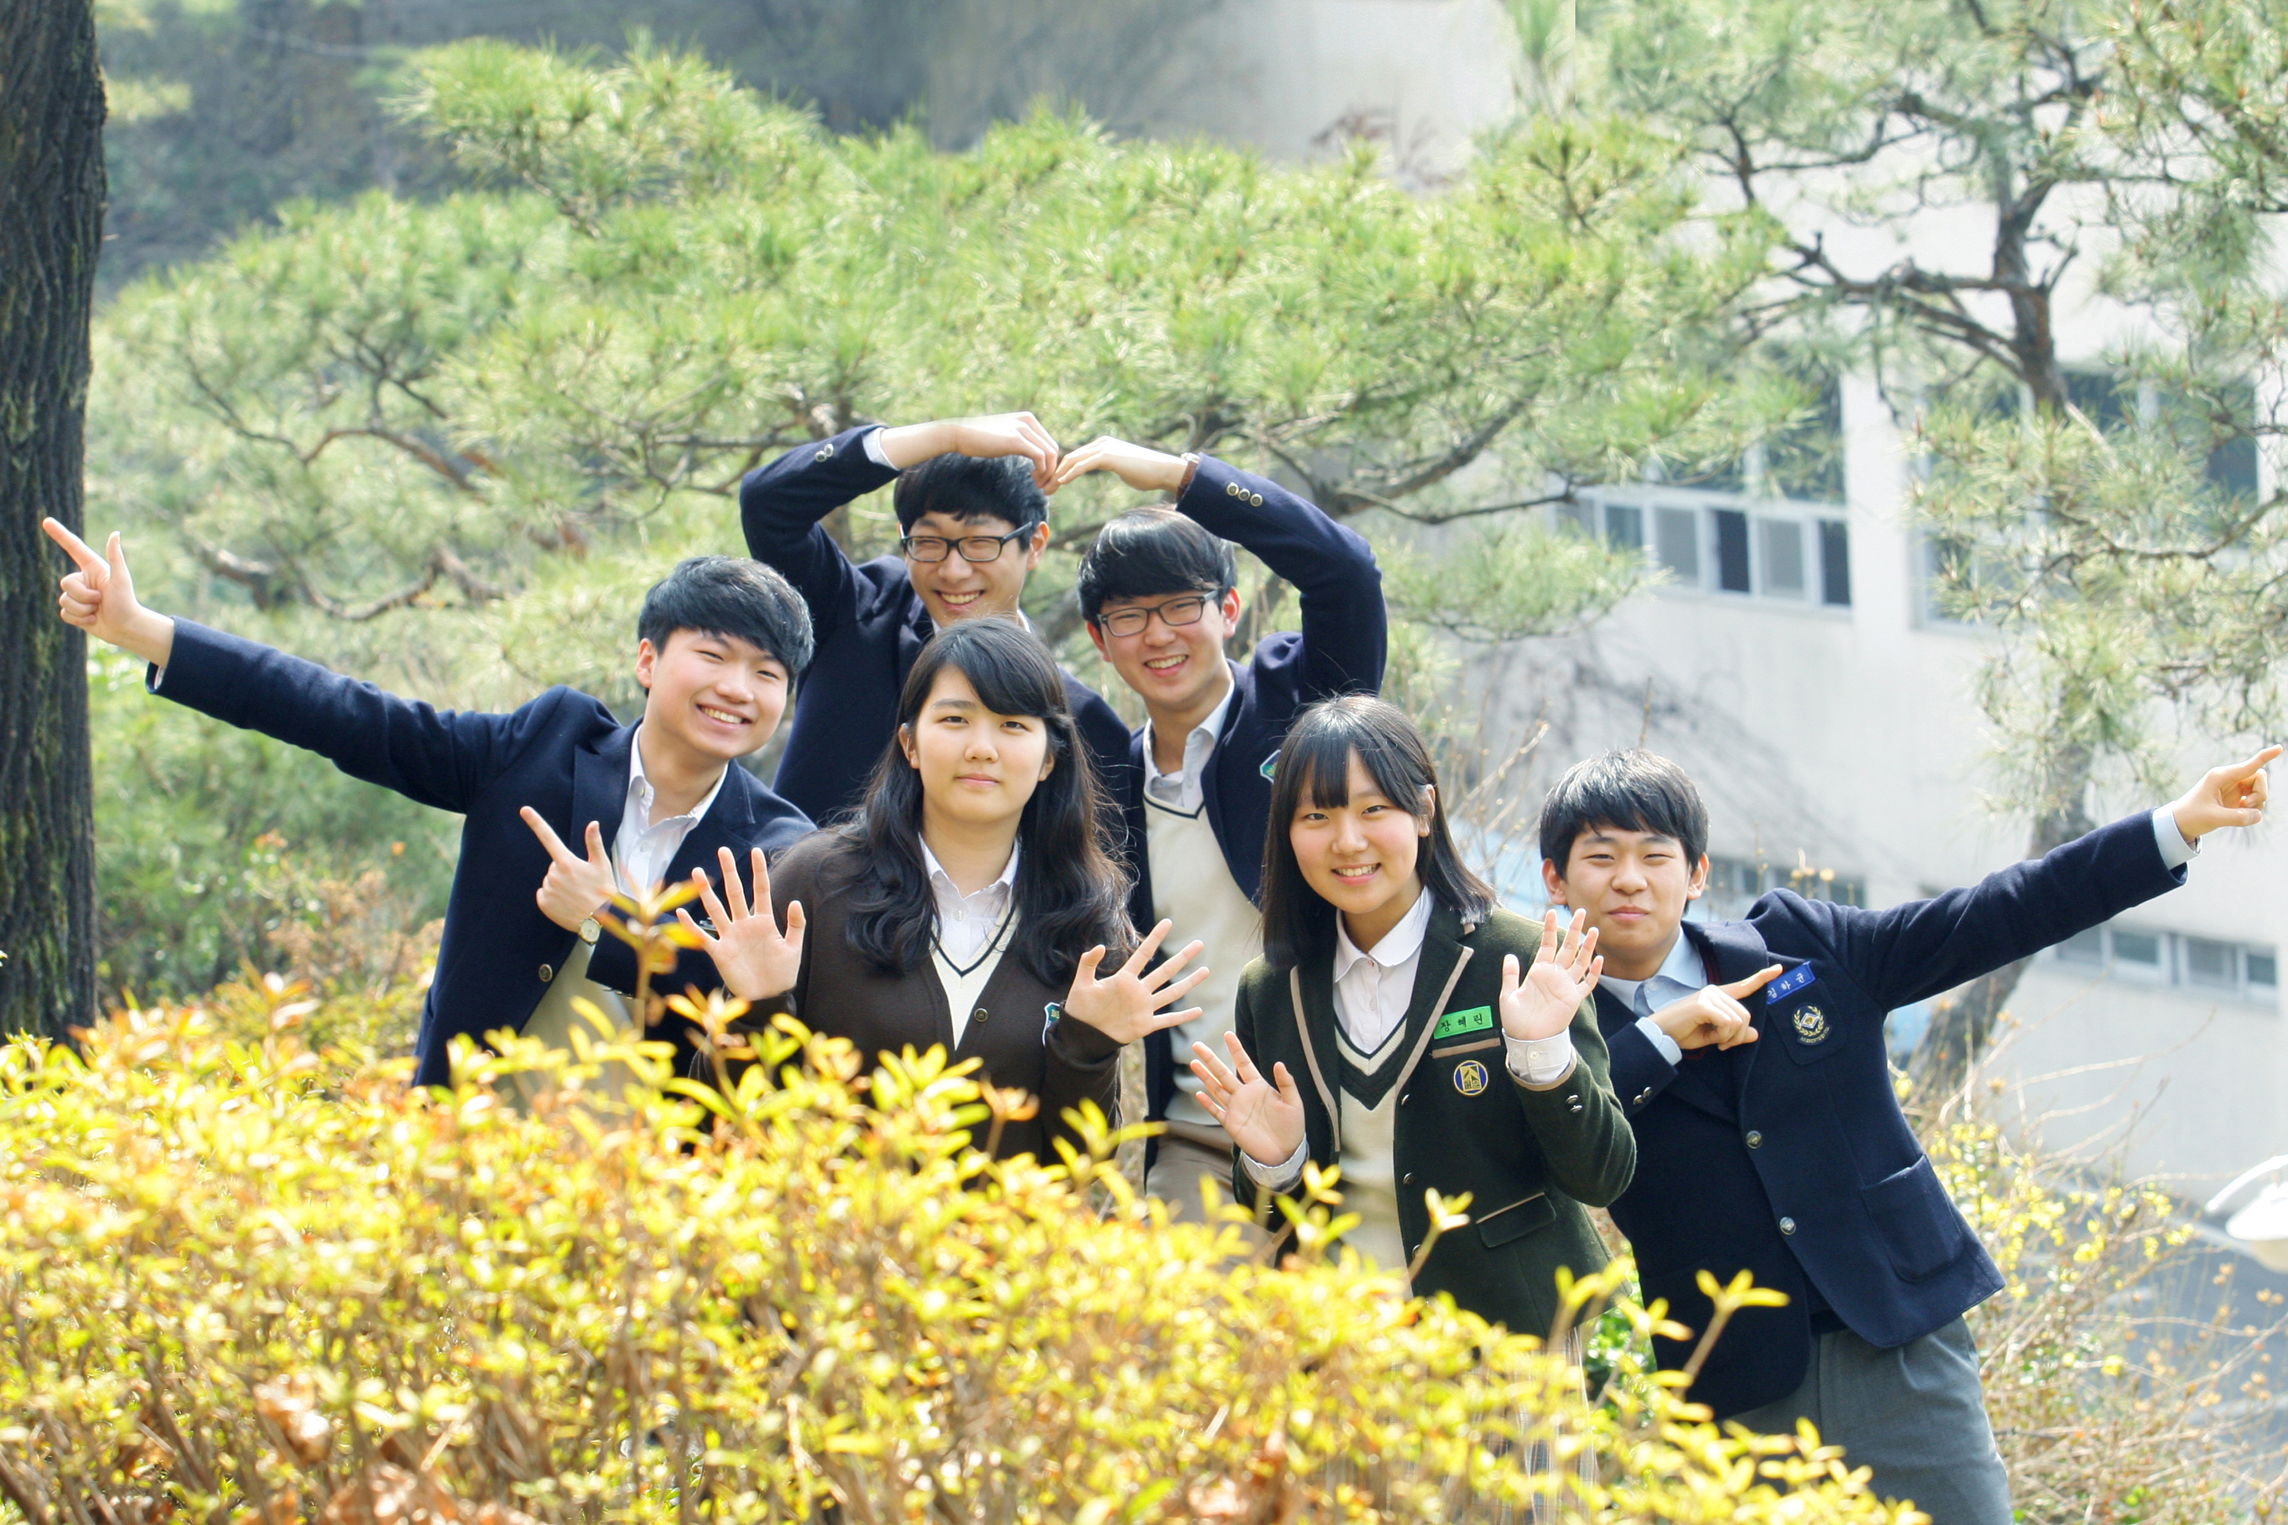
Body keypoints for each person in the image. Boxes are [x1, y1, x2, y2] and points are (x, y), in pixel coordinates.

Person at [1534, 745, 2277, 1524]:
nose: (1630, 878)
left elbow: (1999, 912)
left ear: (1696, 873)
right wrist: (1658, 1036)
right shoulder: (1549, 1031)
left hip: (1901, 1342)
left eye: (1655, 855)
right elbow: (1552, 1139)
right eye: (1601, 857)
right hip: (1738, 1384)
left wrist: (2176, 825)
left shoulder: (1804, 942)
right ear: (1555, 878)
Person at [42, 518, 815, 1088]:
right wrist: (146, 632)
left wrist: (606, 918)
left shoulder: (781, 850)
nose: (736, 688)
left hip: (656, 1198)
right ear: (648, 659)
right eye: (712, 655)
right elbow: (348, 715)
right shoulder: (545, 746)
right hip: (467, 1147)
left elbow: (766, 1039)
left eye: (767, 673)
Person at [683, 617, 1211, 1162]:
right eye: (955, 719)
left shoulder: (1084, 920)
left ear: (1049, 759)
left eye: (1012, 725)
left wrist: (1088, 1047)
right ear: (909, 744)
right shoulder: (815, 885)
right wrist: (754, 1009)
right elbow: (722, 1124)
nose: (981, 748)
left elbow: (1079, 1165)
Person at [1187, 697, 1633, 1335]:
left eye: (1374, 809)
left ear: (1424, 811)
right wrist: (1276, 1163)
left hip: (1509, 1337)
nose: (1348, 841)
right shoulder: (1271, 988)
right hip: (1342, 1343)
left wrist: (1542, 1056)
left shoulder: (1518, 959)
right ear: (1286, 832)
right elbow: (1273, 1217)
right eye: (1316, 816)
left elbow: (1602, 1176)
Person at [1055, 436, 1386, 1223]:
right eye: (1129, 617)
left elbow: (1346, 572)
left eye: (1181, 606)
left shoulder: (1301, 704)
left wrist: (1185, 476)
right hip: (1197, 1137)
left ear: (1229, 611)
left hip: (1351, 1117)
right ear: (1099, 640)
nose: (1158, 635)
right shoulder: (1105, 777)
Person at [740, 412, 1132, 827]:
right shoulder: (857, 613)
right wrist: (947, 435)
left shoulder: (1081, 718)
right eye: (928, 542)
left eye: (980, 543)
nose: (953, 571)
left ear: (1034, 545)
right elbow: (769, 502)